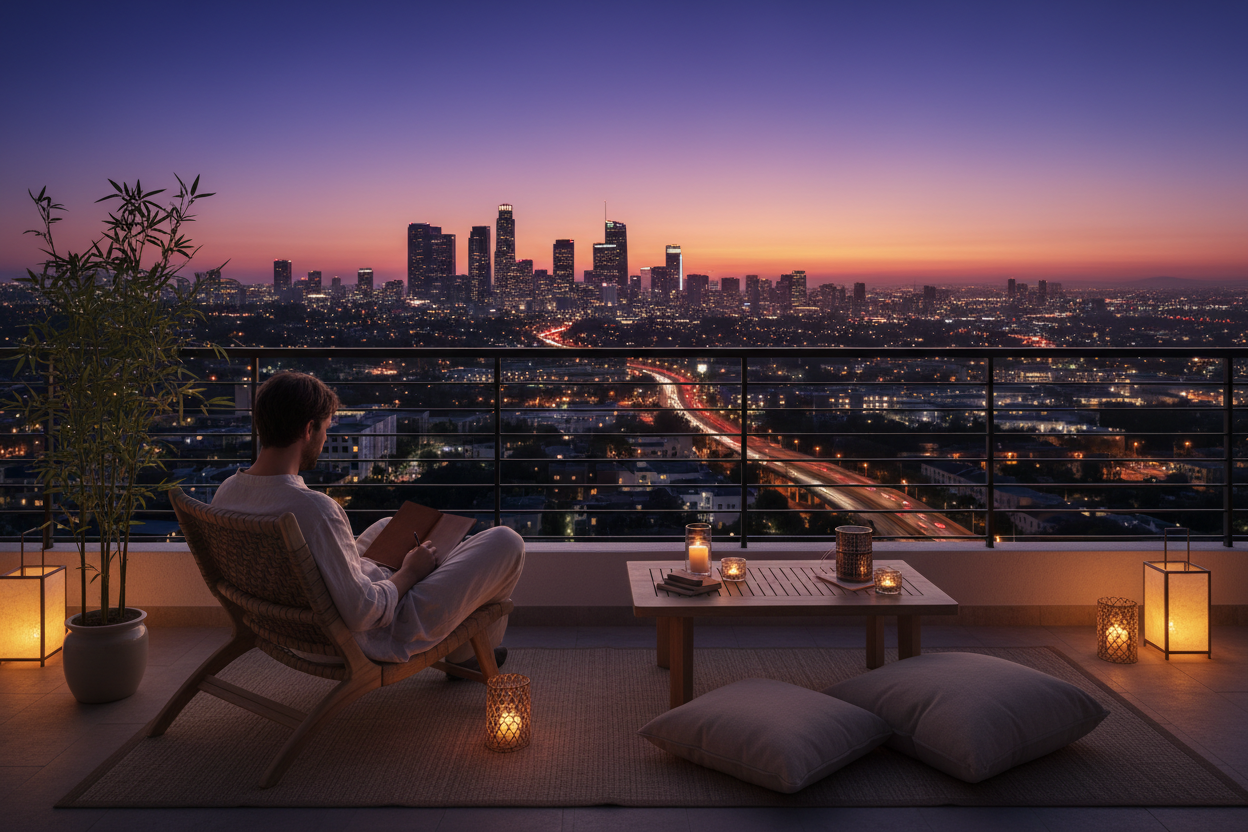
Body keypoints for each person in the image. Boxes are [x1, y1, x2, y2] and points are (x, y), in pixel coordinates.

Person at [211, 371, 524, 668]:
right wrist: (410, 573)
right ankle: (467, 655)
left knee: (389, 526)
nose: (325, 438)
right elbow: (363, 614)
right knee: (506, 541)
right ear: (308, 430)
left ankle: (416, 578)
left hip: (299, 630)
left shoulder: (227, 492)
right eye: (326, 429)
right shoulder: (313, 510)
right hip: (367, 637)